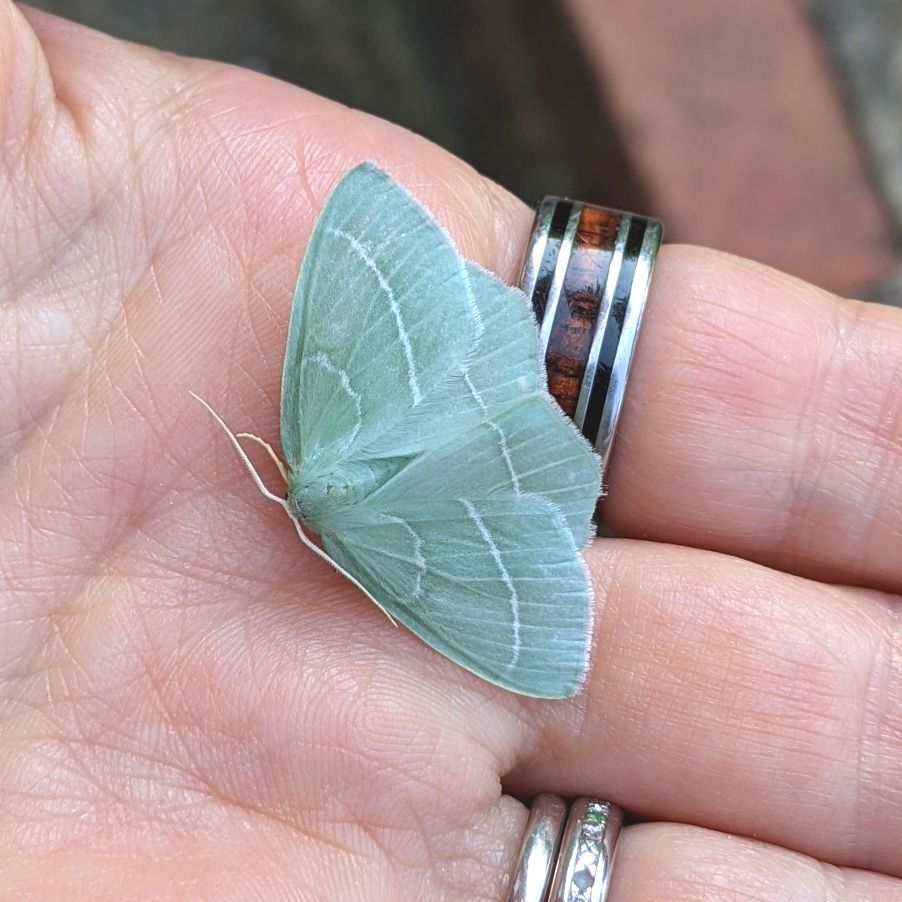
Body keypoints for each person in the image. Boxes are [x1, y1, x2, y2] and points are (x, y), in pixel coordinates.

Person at [1, 4, 900, 899]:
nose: (293, 499)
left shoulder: (346, 539)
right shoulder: (308, 437)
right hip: (443, 393)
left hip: (429, 489)